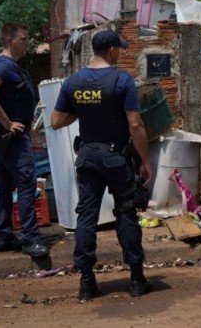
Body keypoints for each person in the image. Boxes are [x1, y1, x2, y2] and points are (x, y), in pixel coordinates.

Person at [50, 29, 154, 300]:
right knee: (126, 212)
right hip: (115, 158)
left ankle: (86, 282)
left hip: (86, 157)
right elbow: (135, 124)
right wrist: (146, 160)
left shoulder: (73, 82)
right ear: (111, 51)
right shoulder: (122, 81)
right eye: (118, 48)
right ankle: (136, 279)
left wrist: (84, 109)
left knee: (86, 216)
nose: (119, 52)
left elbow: (56, 121)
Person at [0, 22, 49, 258]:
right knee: (26, 182)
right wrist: (6, 121)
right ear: (10, 40)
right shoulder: (4, 65)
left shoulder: (3, 64)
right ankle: (30, 239)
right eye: (24, 39)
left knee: (5, 184)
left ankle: (4, 236)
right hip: (11, 136)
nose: (28, 43)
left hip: (6, 136)